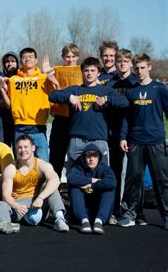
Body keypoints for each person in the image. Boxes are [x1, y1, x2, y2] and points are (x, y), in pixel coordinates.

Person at [118, 53, 168, 229]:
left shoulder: (160, 89)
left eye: (142, 68)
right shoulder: (131, 91)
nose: (139, 71)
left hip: (156, 141)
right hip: (136, 141)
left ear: (149, 67)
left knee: (162, 181)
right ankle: (129, 214)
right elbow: (127, 118)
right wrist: (123, 137)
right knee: (133, 180)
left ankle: (167, 216)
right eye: (137, 68)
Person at [49, 57, 128, 166]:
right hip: (77, 139)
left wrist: (106, 99)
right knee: (74, 175)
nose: (89, 74)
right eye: (86, 71)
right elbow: (53, 95)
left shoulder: (105, 90)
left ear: (99, 73)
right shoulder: (75, 90)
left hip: (99, 139)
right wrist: (70, 97)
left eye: (92, 70)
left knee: (100, 175)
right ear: (82, 72)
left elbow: (124, 101)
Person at [0, 134, 69, 233]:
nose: (22, 150)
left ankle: (60, 220)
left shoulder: (42, 165)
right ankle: (6, 225)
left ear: (33, 148)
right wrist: (16, 206)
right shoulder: (11, 168)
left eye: (26, 147)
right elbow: (6, 196)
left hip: (37, 204)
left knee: (50, 186)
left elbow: (56, 180)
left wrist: (40, 198)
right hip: (19, 208)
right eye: (20, 147)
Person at [0, 48, 57, 161]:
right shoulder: (13, 80)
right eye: (24, 57)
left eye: (30, 57)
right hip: (20, 126)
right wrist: (2, 89)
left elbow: (57, 93)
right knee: (21, 163)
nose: (27, 59)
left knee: (42, 162)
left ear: (36, 60)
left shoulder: (43, 78)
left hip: (38, 126)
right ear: (20, 61)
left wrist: (50, 74)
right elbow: (8, 105)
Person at [105, 49, 138, 223]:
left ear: (131, 63)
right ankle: (114, 209)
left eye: (126, 60)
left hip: (134, 133)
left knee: (134, 174)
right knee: (115, 173)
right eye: (119, 60)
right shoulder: (110, 84)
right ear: (115, 63)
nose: (122, 63)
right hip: (113, 133)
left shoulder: (136, 82)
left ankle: (136, 211)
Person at [48, 44, 83, 178]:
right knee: (57, 155)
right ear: (63, 57)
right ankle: (53, 187)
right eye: (67, 56)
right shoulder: (57, 70)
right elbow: (50, 89)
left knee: (76, 155)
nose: (70, 59)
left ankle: (75, 187)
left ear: (77, 57)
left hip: (77, 118)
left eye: (73, 56)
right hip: (61, 117)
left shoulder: (83, 70)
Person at [67, 144, 116, 234]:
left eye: (94, 156)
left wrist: (92, 186)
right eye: (89, 156)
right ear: (84, 157)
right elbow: (71, 178)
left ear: (99, 158)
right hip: (83, 211)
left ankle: (99, 222)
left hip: (100, 211)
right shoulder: (78, 167)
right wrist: (91, 180)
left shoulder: (104, 167)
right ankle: (84, 221)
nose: (91, 159)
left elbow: (112, 182)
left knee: (109, 189)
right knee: (74, 188)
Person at [0, 51, 20, 147]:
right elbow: (1, 103)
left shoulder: (22, 79)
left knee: (19, 152)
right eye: (7, 61)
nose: (10, 63)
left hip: (18, 122)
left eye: (13, 61)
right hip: (4, 122)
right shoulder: (1, 79)